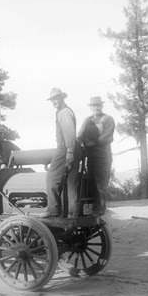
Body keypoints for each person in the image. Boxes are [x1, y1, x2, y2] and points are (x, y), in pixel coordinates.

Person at [40, 87, 82, 218]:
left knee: (52, 177)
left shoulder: (63, 112)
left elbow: (69, 132)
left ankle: (52, 210)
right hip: (74, 147)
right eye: (52, 99)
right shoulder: (63, 111)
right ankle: (73, 213)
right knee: (71, 182)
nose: (54, 101)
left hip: (66, 148)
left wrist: (69, 151)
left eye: (56, 98)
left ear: (62, 98)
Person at [78, 96, 115, 216]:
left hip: (103, 156)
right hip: (91, 156)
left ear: (102, 105)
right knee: (91, 181)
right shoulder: (88, 120)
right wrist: (83, 140)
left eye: (98, 105)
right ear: (91, 107)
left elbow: (107, 137)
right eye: (94, 105)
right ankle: (91, 209)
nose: (96, 107)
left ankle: (100, 209)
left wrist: (92, 142)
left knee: (101, 183)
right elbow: (80, 134)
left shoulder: (108, 119)